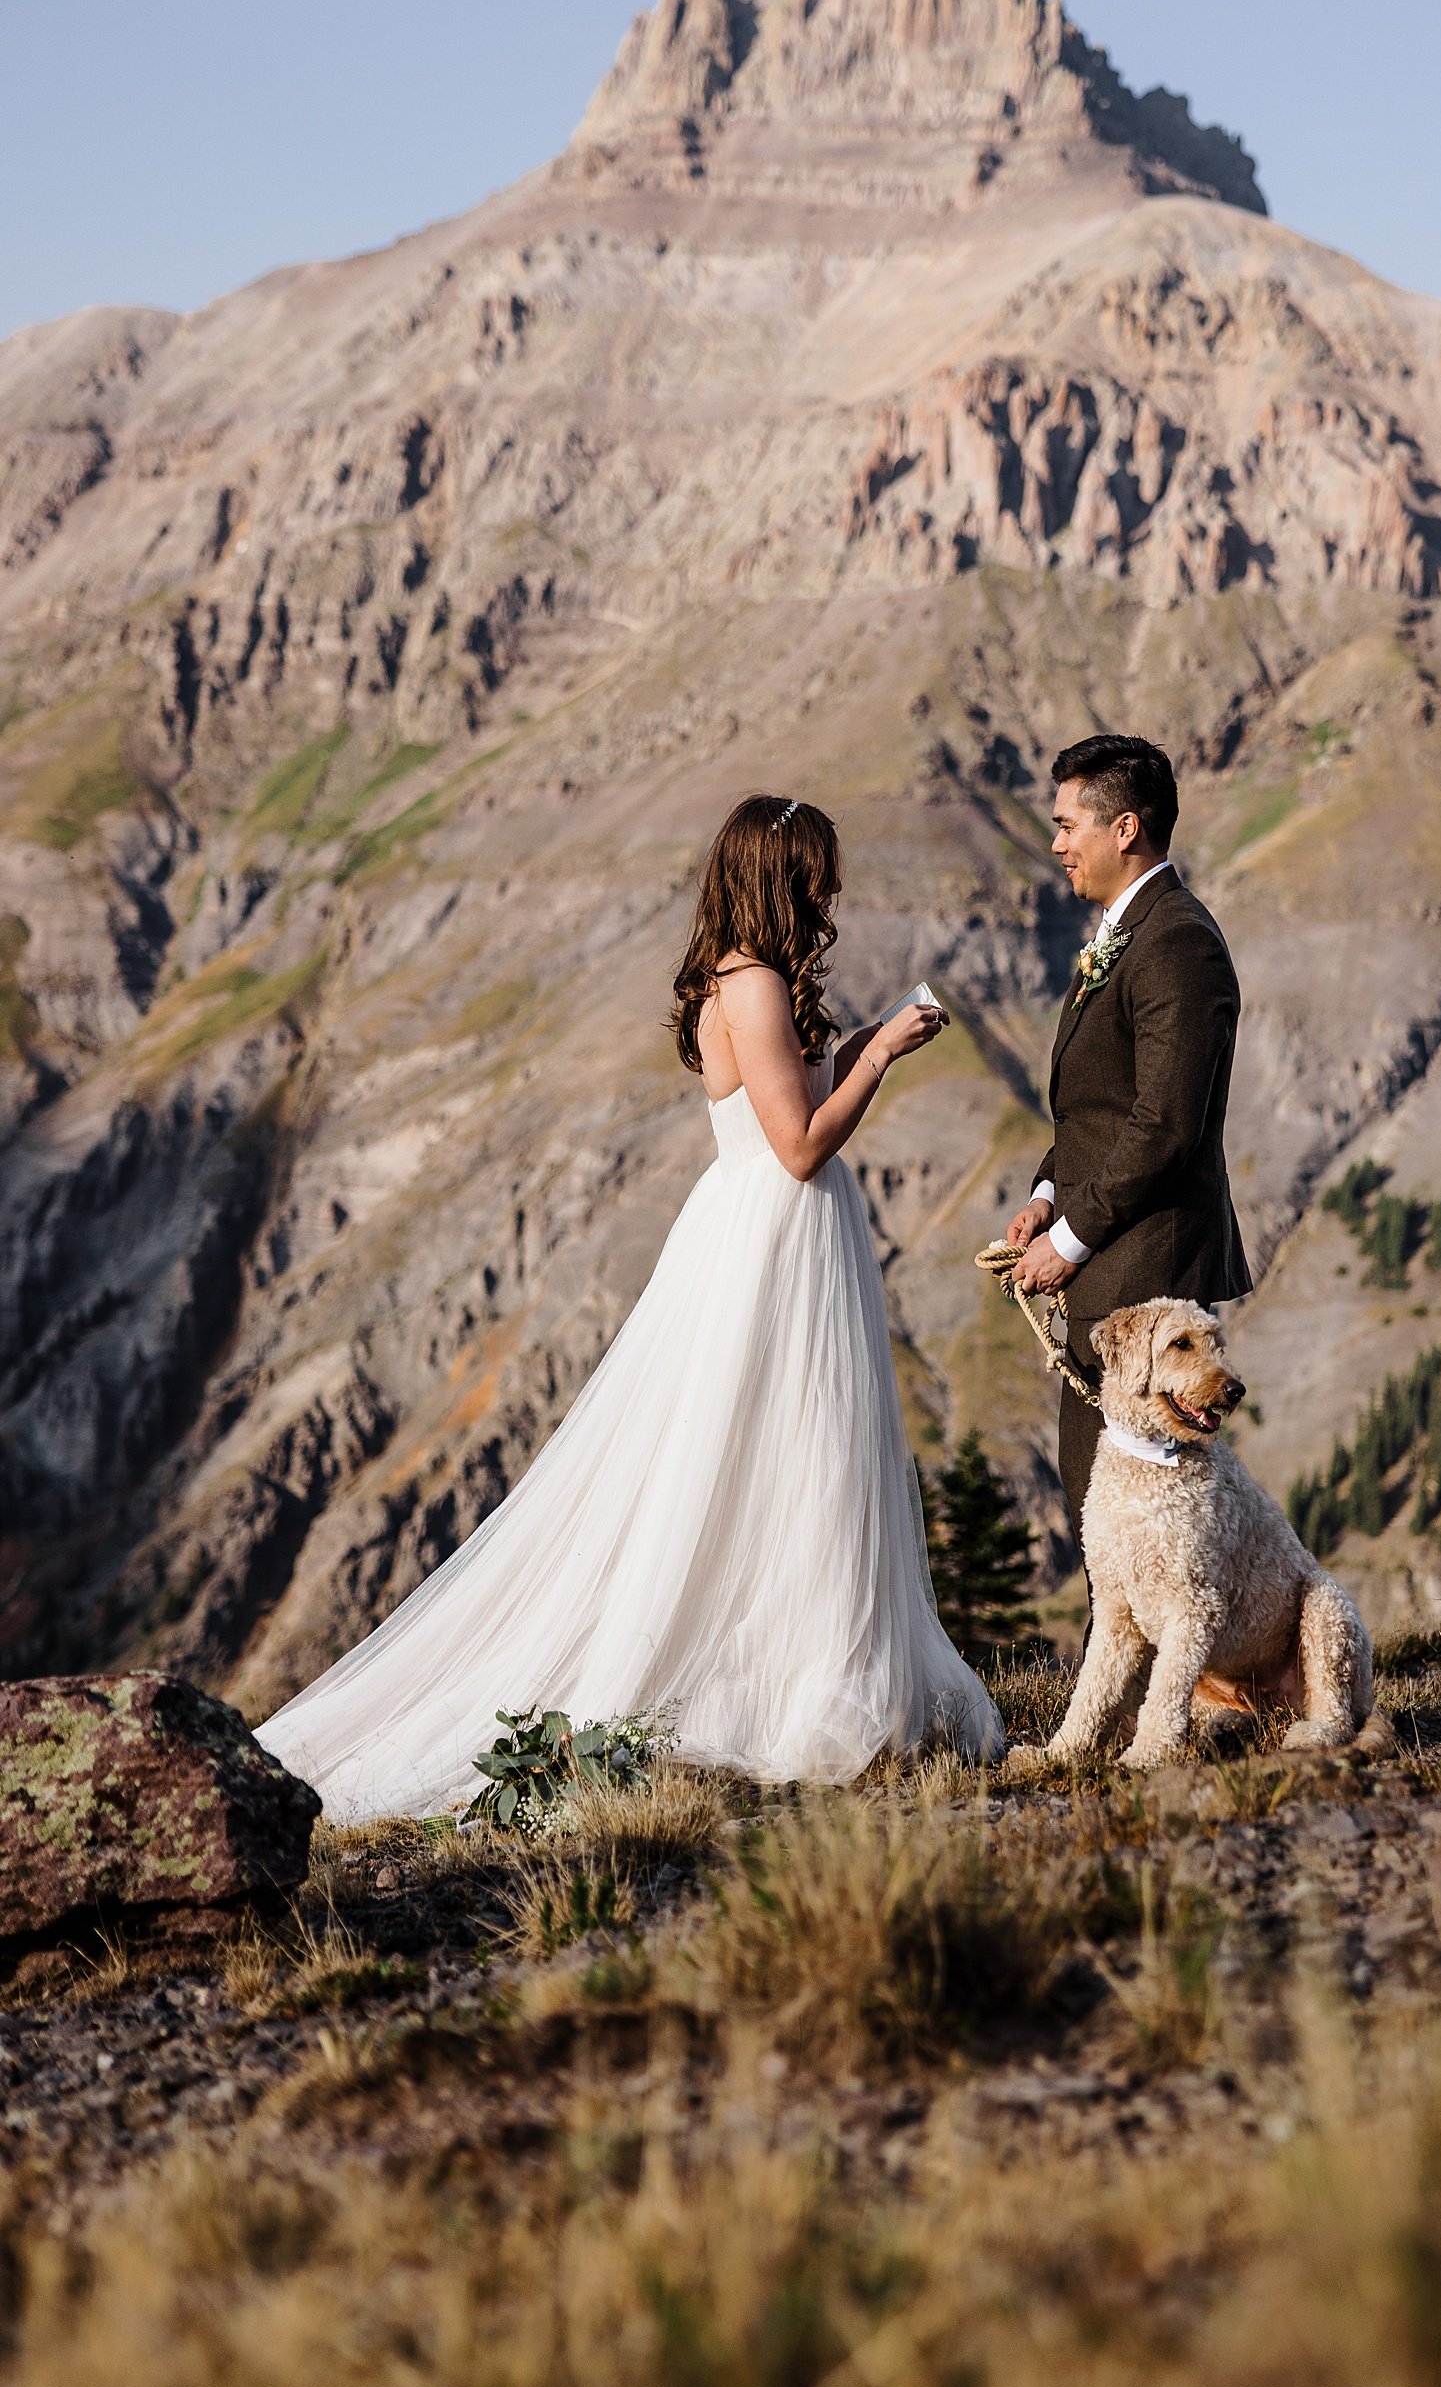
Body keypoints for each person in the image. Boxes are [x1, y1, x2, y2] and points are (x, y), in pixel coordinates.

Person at [257, 794, 1002, 1819]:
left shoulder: (739, 980)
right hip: (776, 1236)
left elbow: (782, 1097)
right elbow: (798, 1143)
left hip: (769, 1234)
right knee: (794, 1450)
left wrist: (862, 1040)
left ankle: (805, 1661)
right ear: (780, 872)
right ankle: (795, 1683)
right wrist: (877, 1059)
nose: (831, 888)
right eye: (816, 869)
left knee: (794, 1457)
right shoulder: (755, 984)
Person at [1006, 733, 1252, 1606]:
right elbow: (1098, 1112)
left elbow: (1165, 1125)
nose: (1058, 842)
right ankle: (1115, 1701)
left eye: (1069, 824)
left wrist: (1070, 1241)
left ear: (1126, 827)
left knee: (1147, 1513)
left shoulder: (1179, 944)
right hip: (1108, 1251)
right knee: (1099, 1497)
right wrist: (1044, 1197)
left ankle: (1149, 1710)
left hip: (1147, 1264)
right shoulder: (1125, 934)